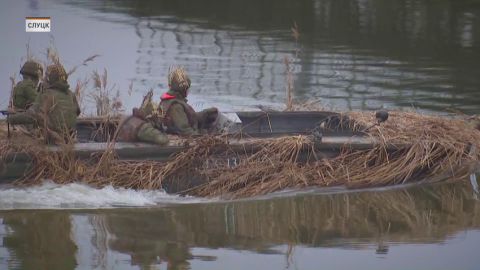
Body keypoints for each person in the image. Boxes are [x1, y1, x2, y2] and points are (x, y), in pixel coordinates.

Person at [7, 63, 81, 144]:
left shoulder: (46, 95)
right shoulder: (72, 95)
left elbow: (30, 116)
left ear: (50, 79)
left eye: (46, 76)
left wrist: (11, 118)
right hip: (70, 139)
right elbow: (77, 112)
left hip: (51, 140)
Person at [159, 66, 218, 135]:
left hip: (176, 131)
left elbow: (185, 118)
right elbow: (185, 130)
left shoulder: (169, 101)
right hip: (180, 137)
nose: (188, 90)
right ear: (183, 89)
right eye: (187, 88)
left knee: (212, 115)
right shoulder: (176, 107)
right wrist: (201, 137)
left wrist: (204, 113)